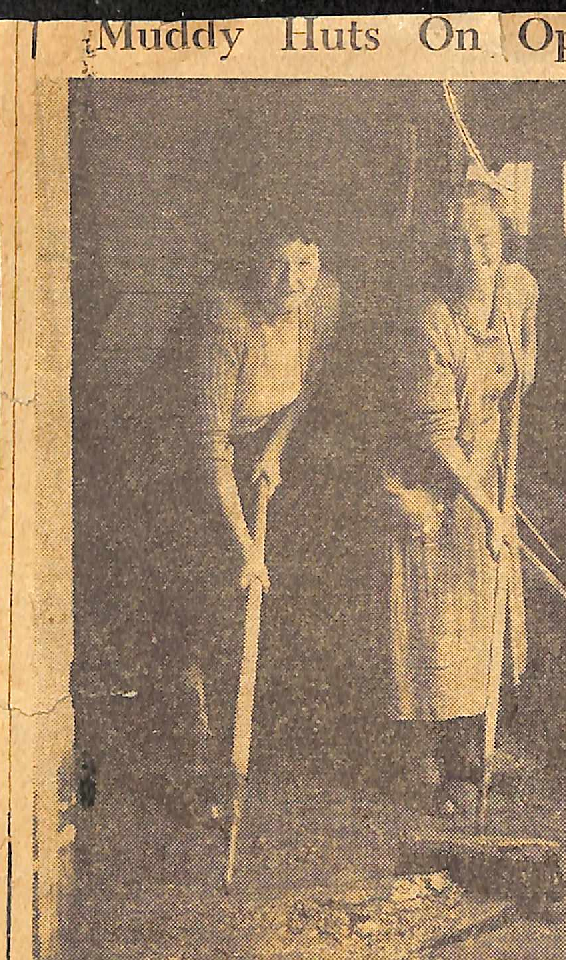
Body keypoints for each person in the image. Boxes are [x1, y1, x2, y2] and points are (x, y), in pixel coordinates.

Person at [147, 222, 341, 819]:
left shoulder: (322, 306)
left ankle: (252, 774)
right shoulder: (224, 321)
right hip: (179, 472)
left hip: (246, 452)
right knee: (197, 624)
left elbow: (308, 389)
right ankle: (198, 778)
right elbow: (207, 447)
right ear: (256, 263)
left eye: (305, 265)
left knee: (262, 618)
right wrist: (244, 549)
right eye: (279, 265)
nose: (292, 281)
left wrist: (275, 448)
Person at [385, 180, 538, 812]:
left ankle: (482, 750)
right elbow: (437, 440)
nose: (476, 252)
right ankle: (447, 767)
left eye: (487, 237)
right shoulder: (431, 323)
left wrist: (524, 363)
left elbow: (524, 359)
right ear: (443, 251)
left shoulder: (518, 289)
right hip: (431, 474)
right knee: (441, 626)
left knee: (488, 611)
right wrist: (492, 512)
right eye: (461, 241)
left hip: (487, 459)